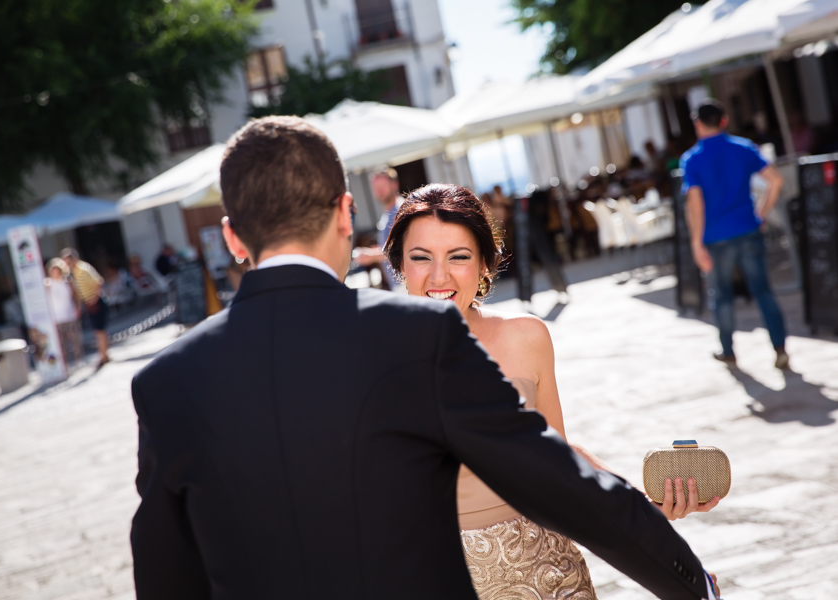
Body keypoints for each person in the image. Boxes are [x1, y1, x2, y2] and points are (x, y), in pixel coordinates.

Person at [129, 116, 719, 600]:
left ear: (232, 238)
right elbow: (557, 478)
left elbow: (165, 574)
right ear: (345, 213)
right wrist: (689, 583)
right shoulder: (413, 335)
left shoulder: (165, 382)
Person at [384, 184, 719, 599]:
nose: (439, 276)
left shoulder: (525, 337)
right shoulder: (370, 361)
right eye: (421, 258)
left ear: (485, 263)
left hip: (549, 573)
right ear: (399, 264)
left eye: (459, 256)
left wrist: (641, 510)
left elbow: (557, 457)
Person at [681, 99, 789, 369]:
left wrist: (696, 243)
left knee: (722, 296)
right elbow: (775, 181)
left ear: (697, 125)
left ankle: (728, 350)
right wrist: (761, 213)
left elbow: (695, 203)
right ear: (724, 121)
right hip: (747, 229)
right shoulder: (743, 148)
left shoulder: (693, 159)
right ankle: (780, 348)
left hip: (715, 238)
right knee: (763, 291)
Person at [60, 248, 110, 370]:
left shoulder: (83, 269)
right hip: (89, 303)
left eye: (68, 261)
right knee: (98, 331)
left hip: (95, 302)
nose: (67, 264)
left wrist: (94, 298)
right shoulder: (74, 273)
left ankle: (103, 356)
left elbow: (98, 281)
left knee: (99, 331)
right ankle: (104, 355)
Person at [354, 168, 403, 286]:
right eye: (376, 187)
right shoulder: (388, 214)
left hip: (405, 284)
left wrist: (371, 255)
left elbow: (401, 248)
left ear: (395, 185)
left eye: (382, 186)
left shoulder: (400, 211)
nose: (379, 191)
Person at [45, 258, 83, 367]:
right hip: (56, 317)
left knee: (75, 339)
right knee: (61, 343)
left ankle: (79, 359)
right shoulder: (48, 284)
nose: (55, 273)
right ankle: (65, 363)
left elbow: (76, 295)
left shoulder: (67, 281)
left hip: (70, 314)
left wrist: (78, 308)